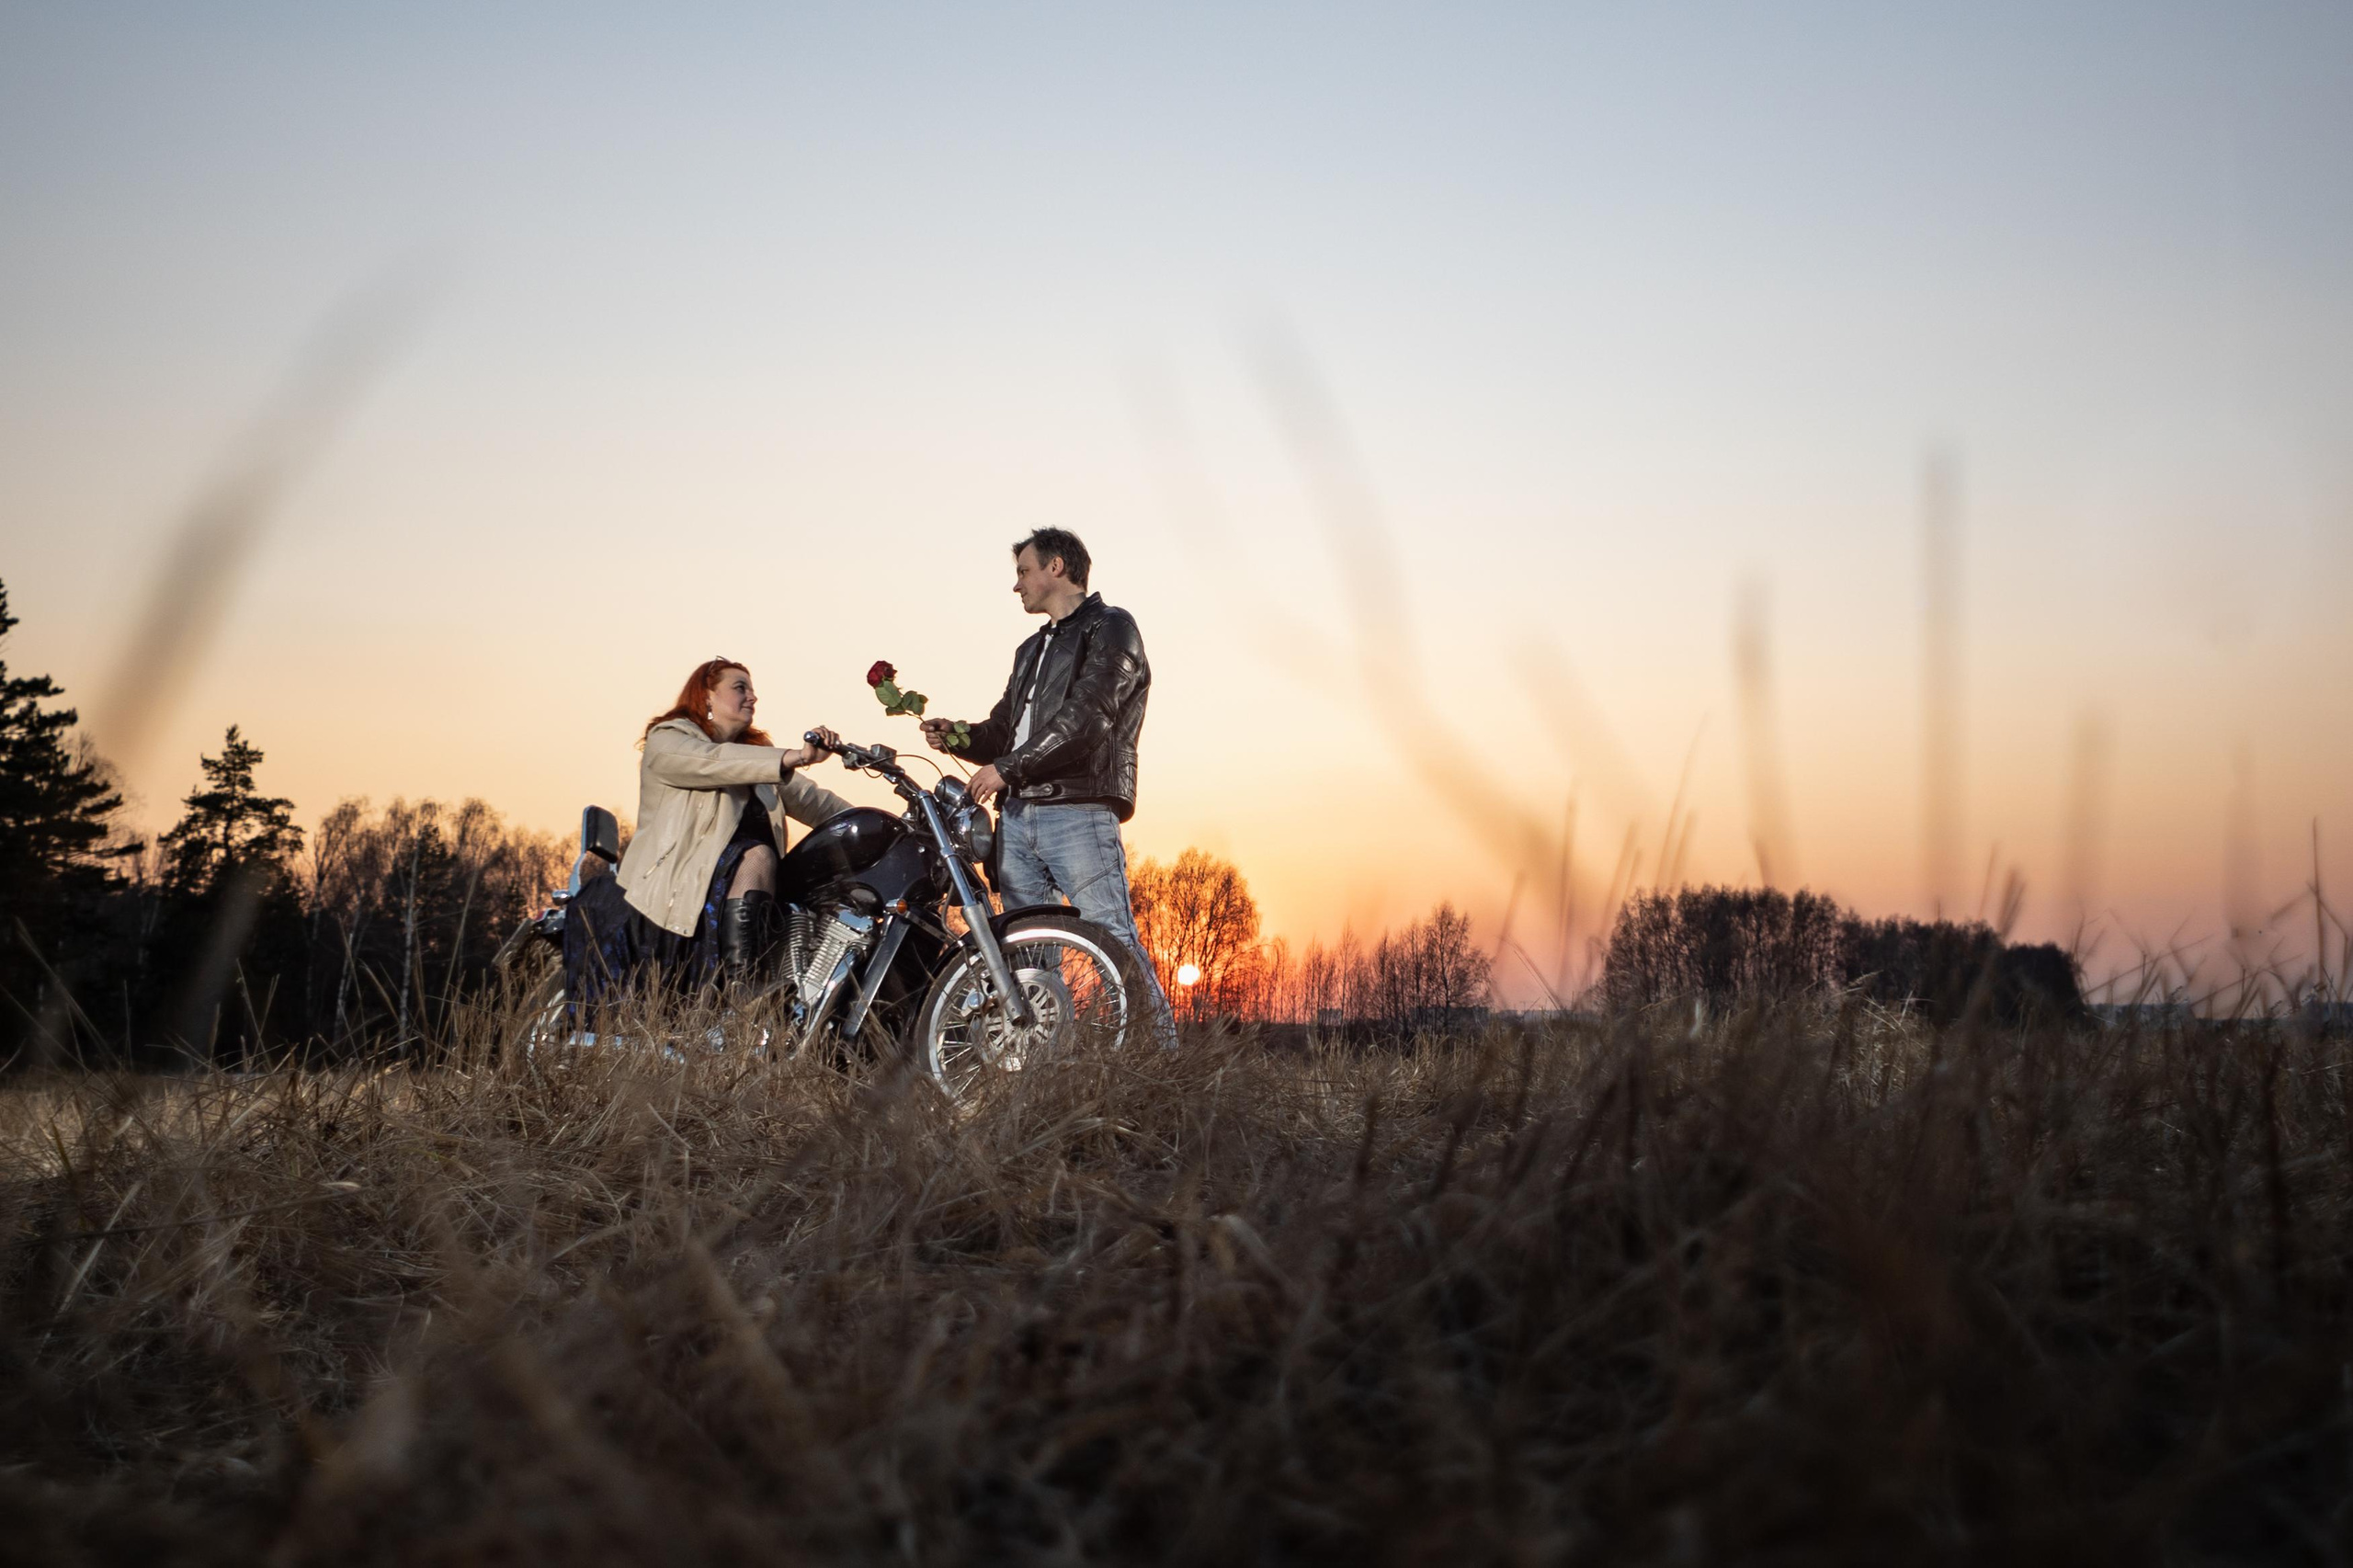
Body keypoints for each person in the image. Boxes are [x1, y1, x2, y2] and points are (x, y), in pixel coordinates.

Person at [920, 528, 1174, 1040]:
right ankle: (1043, 1068)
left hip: (1078, 811)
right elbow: (1003, 732)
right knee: (1027, 952)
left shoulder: (1112, 628)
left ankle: (1161, 1062)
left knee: (1111, 937)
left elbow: (1088, 719)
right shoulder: (1030, 649)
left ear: (1056, 567)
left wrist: (1006, 770)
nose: (1017, 587)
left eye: (1023, 572)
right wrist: (958, 736)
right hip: (1016, 819)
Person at [565, 657, 847, 1008]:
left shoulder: (756, 760)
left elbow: (816, 801)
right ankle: (741, 989)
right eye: (739, 688)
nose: (752, 697)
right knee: (758, 853)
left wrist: (890, 824)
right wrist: (796, 756)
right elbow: (713, 761)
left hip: (735, 889)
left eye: (753, 691)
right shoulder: (668, 739)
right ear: (707, 697)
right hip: (673, 888)